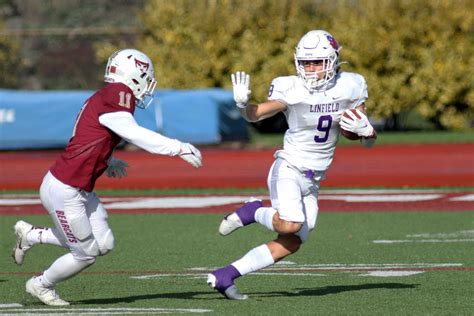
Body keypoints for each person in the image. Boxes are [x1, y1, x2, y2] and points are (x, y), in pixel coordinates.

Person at [12, 48, 203, 306]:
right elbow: (133, 133)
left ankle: (32, 235)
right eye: (145, 77)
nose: (147, 85)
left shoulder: (107, 96)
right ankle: (41, 284)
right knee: (85, 254)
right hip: (65, 189)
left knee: (104, 243)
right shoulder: (118, 94)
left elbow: (87, 134)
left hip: (78, 188)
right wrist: (178, 147)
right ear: (134, 74)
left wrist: (108, 158)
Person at [207, 30, 377, 300]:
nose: (311, 69)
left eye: (318, 62)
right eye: (306, 63)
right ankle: (254, 211)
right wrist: (241, 105)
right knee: (290, 225)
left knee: (292, 242)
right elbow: (256, 114)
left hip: (314, 179)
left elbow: (360, 136)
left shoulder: (351, 85)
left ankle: (225, 275)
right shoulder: (292, 87)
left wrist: (367, 132)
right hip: (289, 167)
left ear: (333, 61)